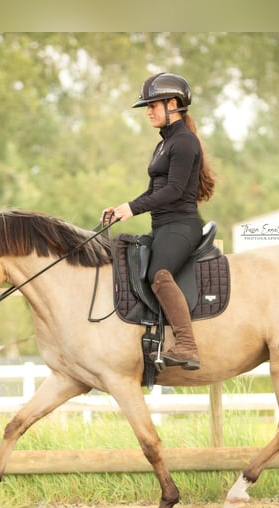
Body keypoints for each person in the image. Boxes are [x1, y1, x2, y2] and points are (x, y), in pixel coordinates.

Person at [102, 72, 215, 371]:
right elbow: (154, 191)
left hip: (181, 226)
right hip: (162, 226)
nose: (149, 111)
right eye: (147, 106)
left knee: (159, 274)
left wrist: (133, 208)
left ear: (173, 104)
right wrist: (121, 209)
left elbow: (174, 191)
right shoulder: (163, 144)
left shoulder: (185, 142)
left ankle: (187, 345)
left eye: (154, 105)